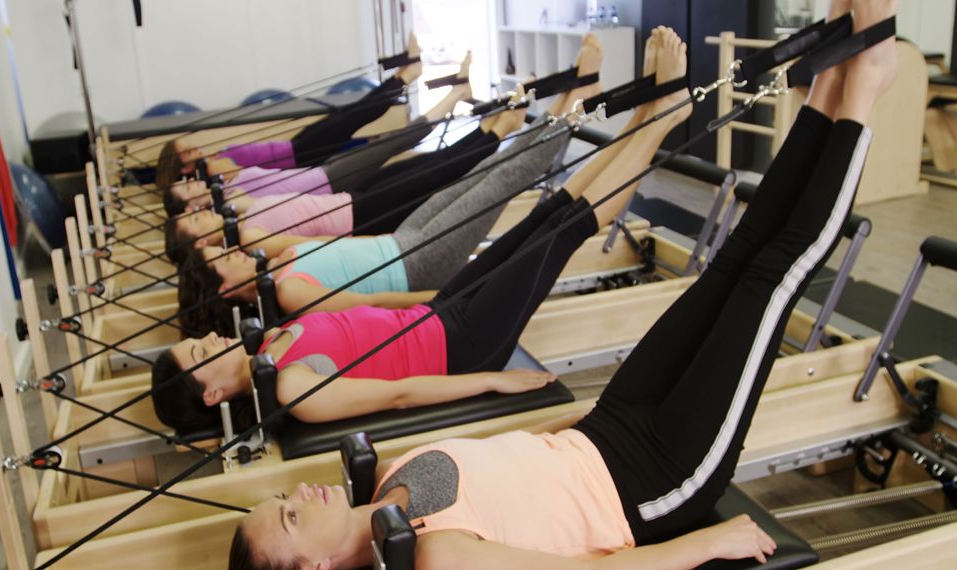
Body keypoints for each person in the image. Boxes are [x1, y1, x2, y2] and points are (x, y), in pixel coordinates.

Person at [230, 4, 897, 567]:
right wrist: (700, 544)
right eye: (289, 518)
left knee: (733, 259)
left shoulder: (384, 482)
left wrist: (567, 416)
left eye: (282, 501)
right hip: (654, 478)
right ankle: (863, 89)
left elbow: (511, 467)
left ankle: (825, 90)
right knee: (769, 278)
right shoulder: (431, 557)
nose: (301, 496)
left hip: (602, 428)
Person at [149, 27, 685, 433]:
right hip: (461, 346)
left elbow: (375, 311)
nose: (209, 341)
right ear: (214, 393)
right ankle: (663, 117)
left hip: (439, 313)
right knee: (563, 228)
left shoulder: (270, 339)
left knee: (549, 213)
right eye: (200, 355)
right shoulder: (289, 386)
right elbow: (399, 395)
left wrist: (446, 293)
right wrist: (490, 380)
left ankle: (647, 117)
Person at [177, 109, 575, 337]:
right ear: (226, 287)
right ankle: (571, 114)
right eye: (224, 259)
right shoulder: (288, 294)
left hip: (401, 239)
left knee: (476, 177)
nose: (234, 252)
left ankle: (556, 118)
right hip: (418, 263)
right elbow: (371, 303)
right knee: (497, 185)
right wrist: (442, 300)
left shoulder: (273, 263)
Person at [163, 103, 525, 264]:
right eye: (194, 218)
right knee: (434, 177)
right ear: (203, 241)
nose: (197, 209)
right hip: (358, 219)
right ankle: (496, 134)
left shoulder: (234, 208)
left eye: (194, 212)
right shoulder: (248, 239)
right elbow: (314, 245)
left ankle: (487, 131)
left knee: (424, 166)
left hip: (347, 199)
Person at [163, 53, 477, 217]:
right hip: (326, 184)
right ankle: (453, 95)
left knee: (385, 141)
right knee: (392, 143)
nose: (195, 149)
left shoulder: (224, 184)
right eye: (187, 186)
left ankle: (447, 91)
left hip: (320, 173)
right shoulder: (227, 195)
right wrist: (206, 178)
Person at [154, 33, 425, 192]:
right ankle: (406, 77)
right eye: (189, 152)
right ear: (186, 168)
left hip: (293, 146)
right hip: (299, 159)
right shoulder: (213, 173)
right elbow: (244, 175)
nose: (197, 149)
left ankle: (402, 74)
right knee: (356, 117)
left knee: (351, 113)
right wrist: (209, 168)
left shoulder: (212, 160)